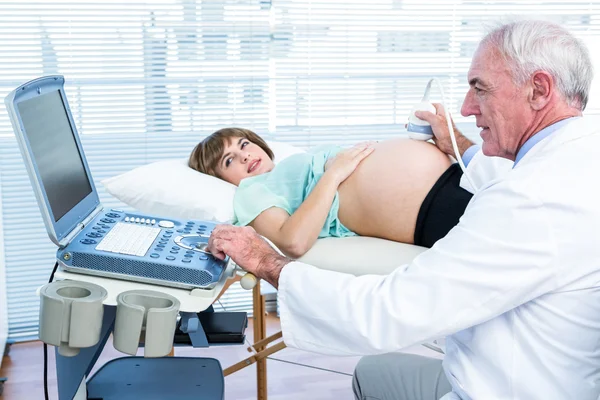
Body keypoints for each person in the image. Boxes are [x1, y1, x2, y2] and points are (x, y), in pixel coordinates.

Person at [206, 19, 600, 400]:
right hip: (536, 372)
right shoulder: (571, 161)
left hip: (504, 388)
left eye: (480, 89)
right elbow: (504, 179)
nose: (465, 107)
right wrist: (457, 144)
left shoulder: (528, 202)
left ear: (539, 89)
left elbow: (388, 311)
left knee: (372, 372)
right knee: (377, 370)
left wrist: (265, 262)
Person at [189, 129, 476, 258]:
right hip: (430, 209)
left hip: (461, 175)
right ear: (219, 178)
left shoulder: (294, 162)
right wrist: (334, 173)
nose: (244, 155)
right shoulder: (252, 191)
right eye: (228, 160)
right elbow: (293, 241)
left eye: (243, 144)